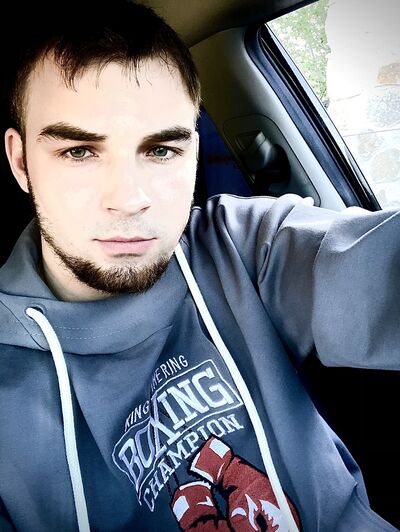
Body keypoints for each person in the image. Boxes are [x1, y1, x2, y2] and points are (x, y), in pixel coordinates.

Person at [0, 1, 398, 531]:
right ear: (21, 161)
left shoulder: (244, 246)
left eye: (161, 150)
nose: (129, 199)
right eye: (78, 151)